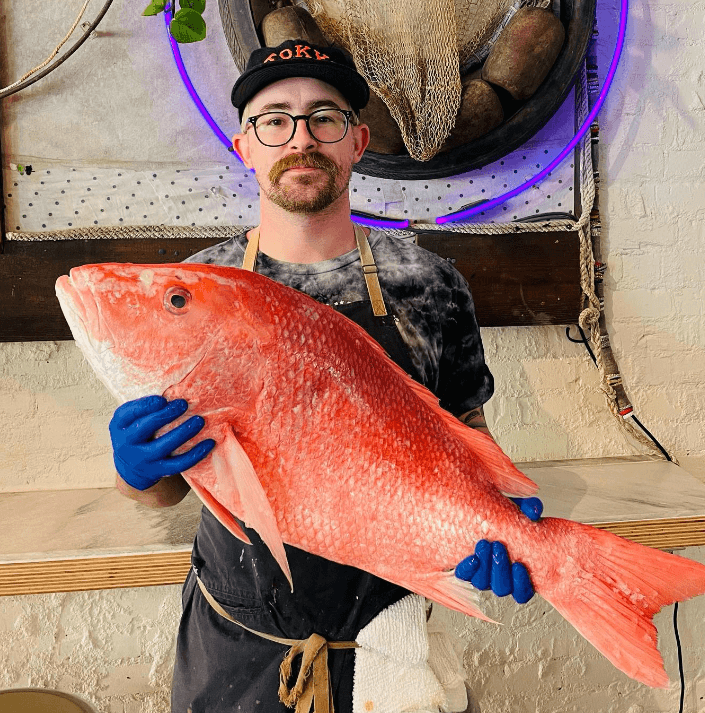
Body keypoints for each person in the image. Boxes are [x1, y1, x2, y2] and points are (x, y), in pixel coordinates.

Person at [111, 40, 543, 713]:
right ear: (244, 146)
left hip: (393, 647)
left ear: (357, 141)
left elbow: (466, 434)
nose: (300, 138)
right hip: (235, 646)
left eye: (324, 118)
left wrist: (499, 520)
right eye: (274, 119)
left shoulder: (427, 281)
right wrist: (135, 472)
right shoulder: (191, 288)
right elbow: (167, 488)